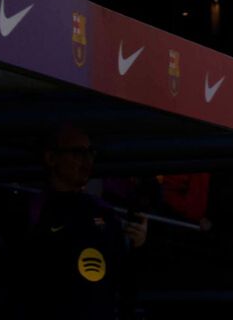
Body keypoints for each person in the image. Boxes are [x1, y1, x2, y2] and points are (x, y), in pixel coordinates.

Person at [21, 125, 149, 320]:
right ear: (51, 158)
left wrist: (137, 245)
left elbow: (124, 279)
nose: (87, 160)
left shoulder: (104, 212)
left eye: (90, 153)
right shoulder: (34, 210)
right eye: (78, 153)